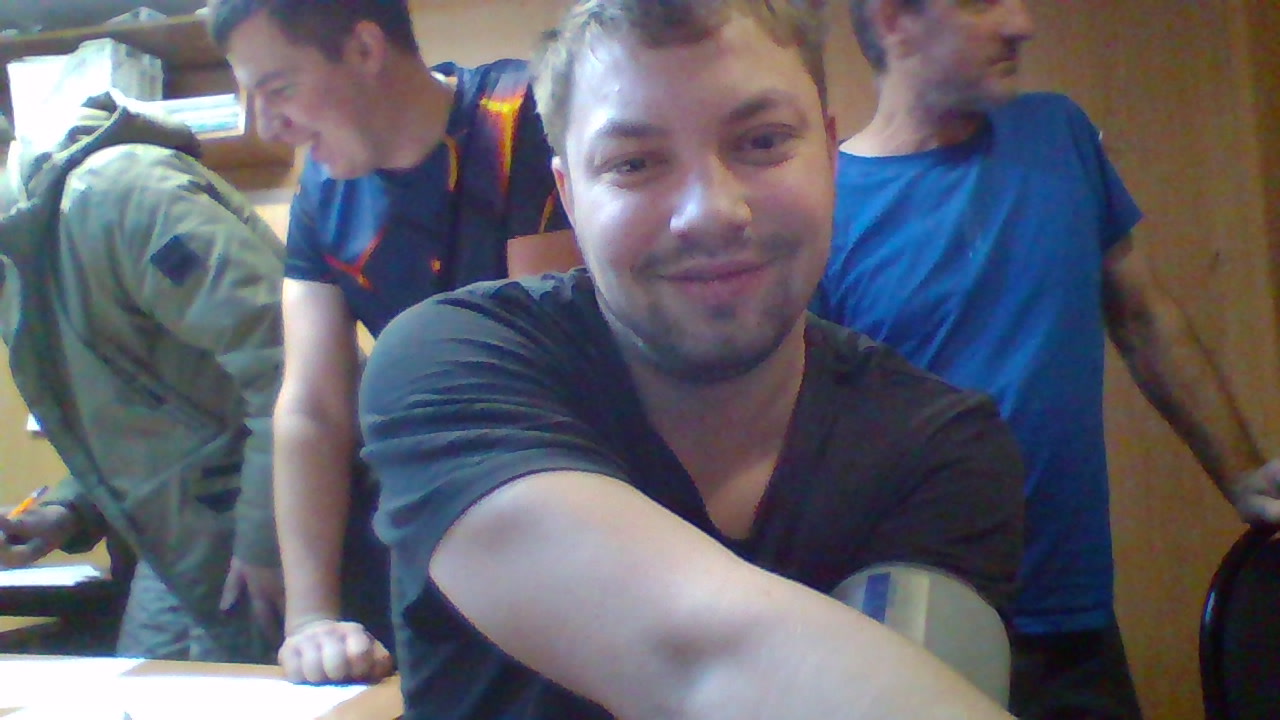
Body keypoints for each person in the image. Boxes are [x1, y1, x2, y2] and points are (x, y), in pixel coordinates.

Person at [358, 1, 1025, 718]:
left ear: (831, 158)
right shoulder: (447, 367)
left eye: (763, 142)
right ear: (569, 196)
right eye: (634, 163)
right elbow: (693, 655)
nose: (710, 212)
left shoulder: (942, 448)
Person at [812, 2, 1280, 719]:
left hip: (1077, 629)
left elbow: (1143, 316)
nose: (1021, 22)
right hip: (920, 641)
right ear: (895, 19)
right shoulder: (825, 211)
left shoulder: (1059, 132)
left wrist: (1242, 473)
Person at [207, 0, 581, 683]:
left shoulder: (520, 116)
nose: (265, 127)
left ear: (364, 49)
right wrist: (310, 619)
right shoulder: (323, 190)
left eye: (278, 89)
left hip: (559, 518)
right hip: (430, 513)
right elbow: (312, 408)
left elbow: (538, 380)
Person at [0, 94, 285, 662]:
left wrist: (267, 540)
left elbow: (297, 370)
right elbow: (149, 421)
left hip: (280, 527)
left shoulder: (120, 194)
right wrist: (68, 512)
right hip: (181, 546)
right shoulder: (22, 255)